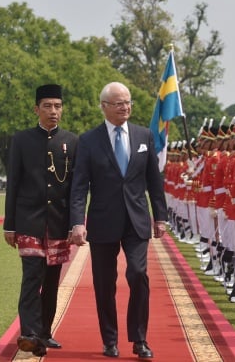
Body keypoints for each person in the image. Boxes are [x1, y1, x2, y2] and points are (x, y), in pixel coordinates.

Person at [70, 81, 168, 359]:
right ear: (104, 107)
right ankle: (109, 339)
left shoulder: (144, 135)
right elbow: (79, 185)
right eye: (119, 103)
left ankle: (139, 339)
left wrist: (160, 216)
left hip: (137, 221)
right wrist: (78, 222)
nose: (125, 107)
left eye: (128, 102)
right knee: (104, 283)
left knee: (138, 275)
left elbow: (153, 180)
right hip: (103, 221)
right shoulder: (88, 141)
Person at [4, 84, 78, 357]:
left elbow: (75, 188)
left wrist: (74, 223)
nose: (53, 111)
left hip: (58, 223)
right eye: (47, 106)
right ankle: (30, 333)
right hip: (28, 221)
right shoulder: (22, 139)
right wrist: (9, 224)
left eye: (57, 106)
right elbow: (13, 183)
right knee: (31, 277)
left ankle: (45, 332)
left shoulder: (72, 141)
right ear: (36, 109)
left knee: (52, 279)